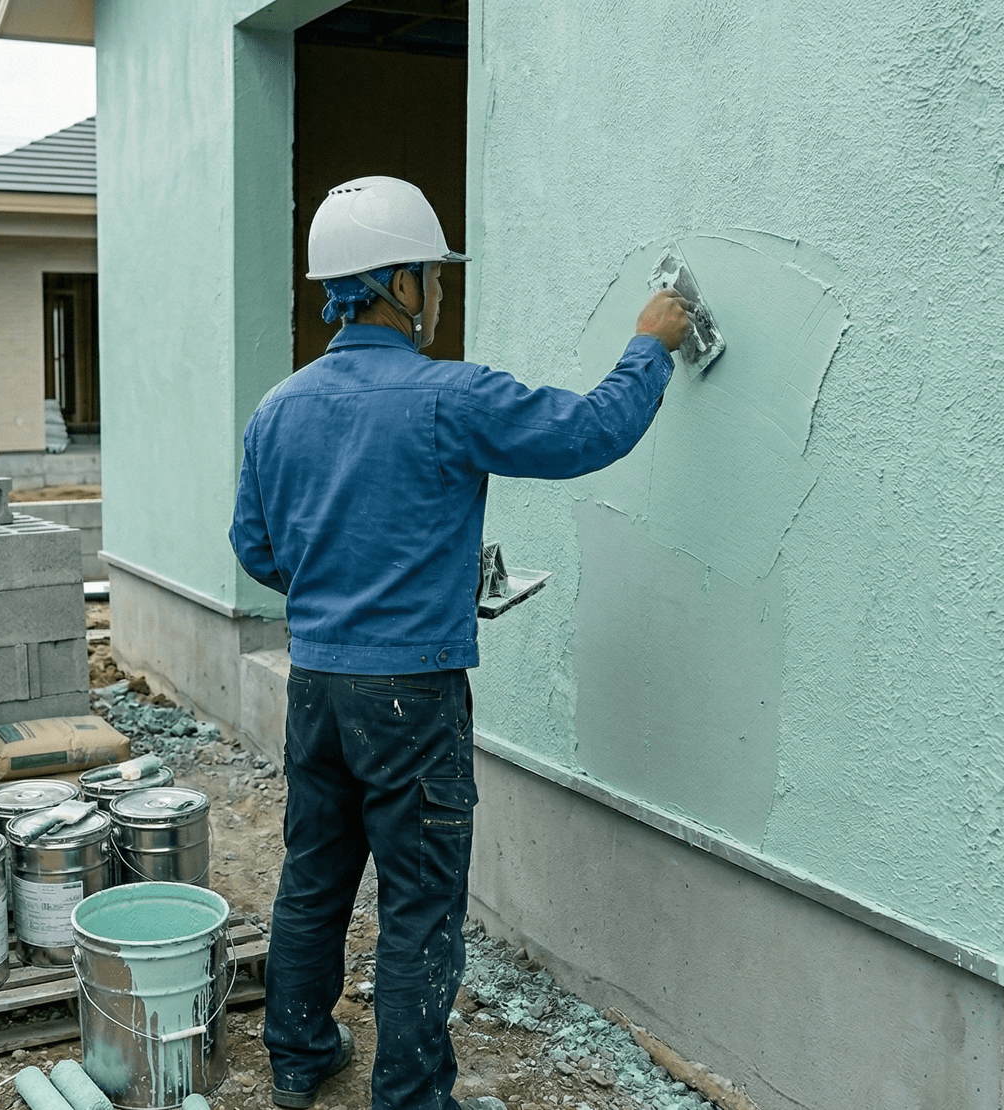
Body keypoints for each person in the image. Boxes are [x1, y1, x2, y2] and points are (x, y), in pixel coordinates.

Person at [229, 176, 691, 1110]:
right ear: (399, 284)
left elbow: (257, 550)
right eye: (433, 278)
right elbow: (590, 433)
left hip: (316, 685)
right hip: (412, 696)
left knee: (315, 877)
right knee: (419, 903)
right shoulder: (450, 397)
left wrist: (349, 593)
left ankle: (298, 1056)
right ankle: (408, 1098)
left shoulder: (280, 408)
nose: (441, 295)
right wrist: (653, 344)